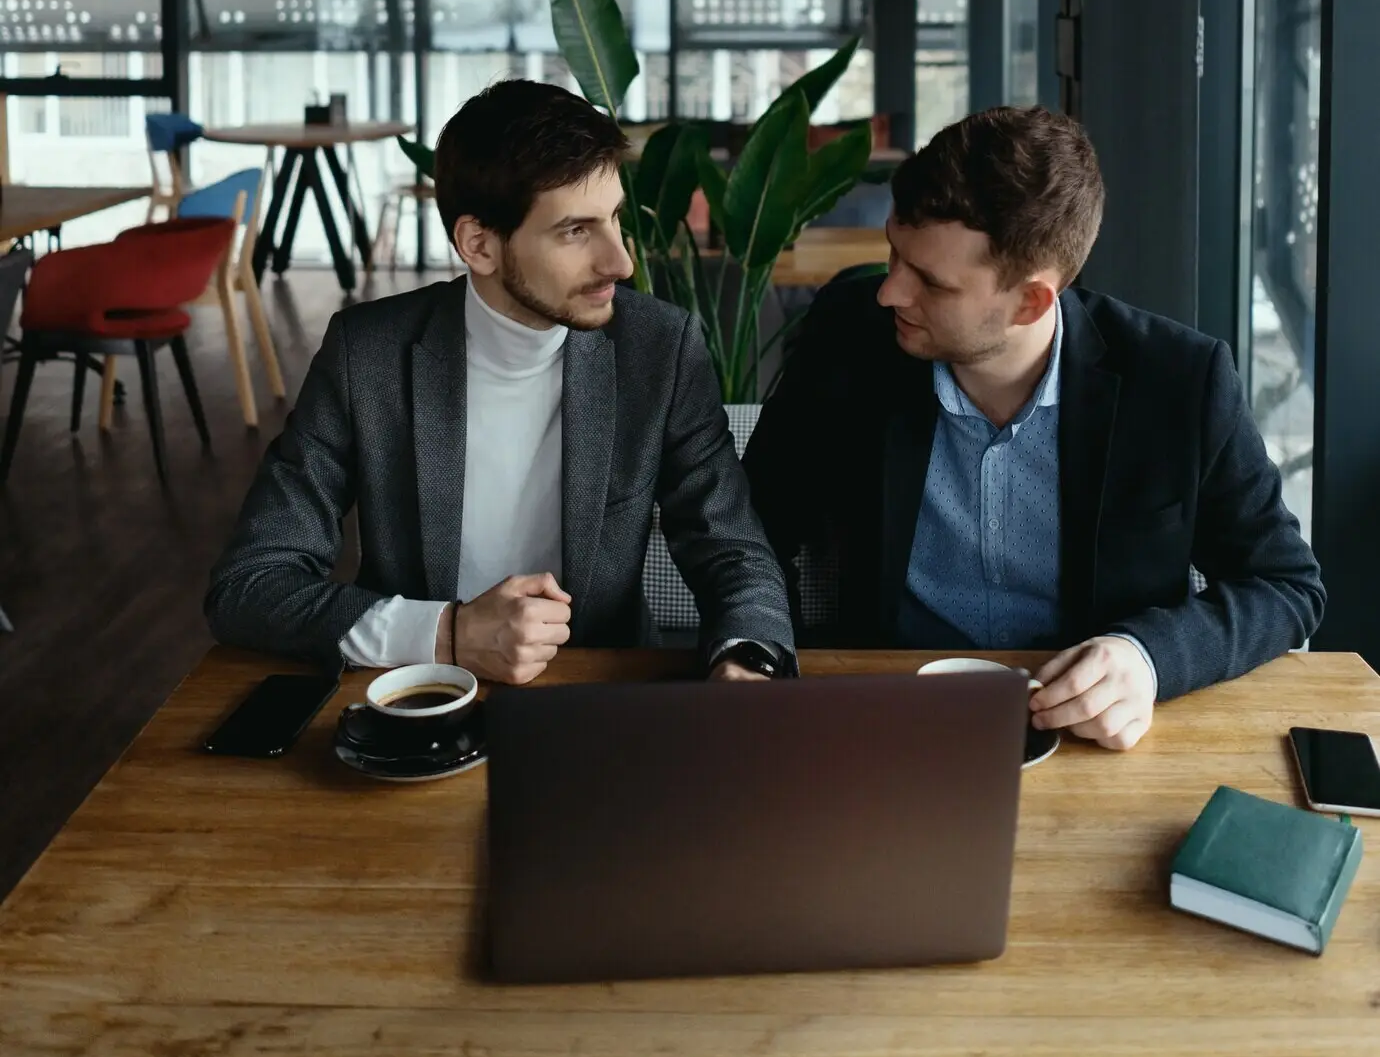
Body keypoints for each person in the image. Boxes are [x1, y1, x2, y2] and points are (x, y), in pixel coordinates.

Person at [743, 105, 1323, 750]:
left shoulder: (1178, 381)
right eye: (894, 255)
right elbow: (749, 525)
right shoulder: (851, 337)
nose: (891, 292)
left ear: (1031, 301)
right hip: (890, 718)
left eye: (931, 282)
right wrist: (757, 651)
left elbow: (1284, 585)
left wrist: (1148, 658)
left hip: (1092, 736)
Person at [207, 80, 793, 685]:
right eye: (575, 231)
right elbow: (250, 582)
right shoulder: (368, 355)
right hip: (416, 688)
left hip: (599, 688)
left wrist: (747, 657)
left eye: (615, 217)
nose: (621, 262)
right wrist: (446, 634)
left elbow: (732, 547)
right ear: (479, 245)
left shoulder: (659, 349)